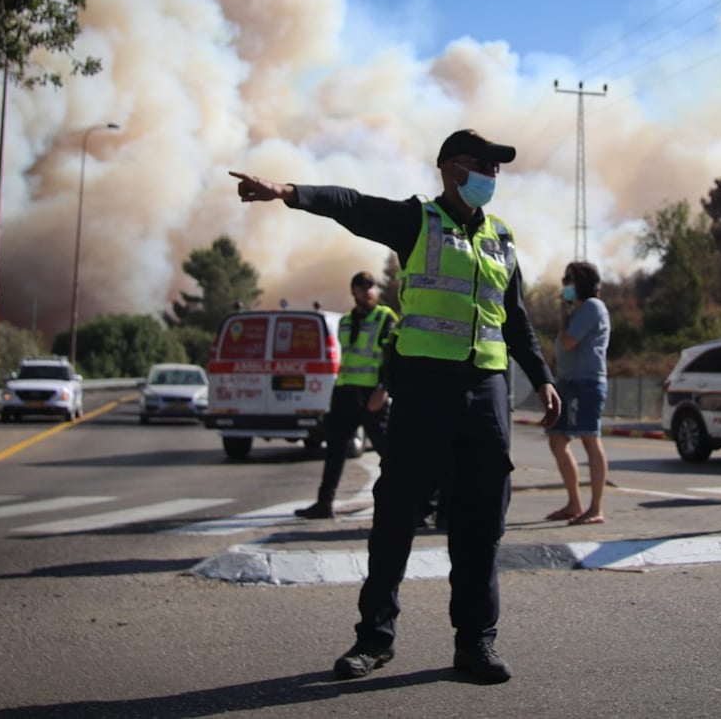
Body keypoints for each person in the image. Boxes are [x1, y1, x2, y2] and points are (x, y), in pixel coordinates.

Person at [230, 128, 562, 685]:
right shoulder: (418, 222)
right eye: (481, 164)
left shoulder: (502, 237)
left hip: (486, 391)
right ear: (450, 168)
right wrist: (286, 191)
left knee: (481, 522)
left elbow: (516, 317)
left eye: (497, 167)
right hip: (425, 389)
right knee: (396, 515)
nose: (491, 174)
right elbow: (351, 205)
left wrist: (543, 377)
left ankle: (475, 642)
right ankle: (373, 640)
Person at [295, 271, 398, 520]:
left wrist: (383, 389)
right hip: (345, 394)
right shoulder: (345, 322)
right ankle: (324, 503)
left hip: (371, 395)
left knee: (391, 453)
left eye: (371, 287)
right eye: (363, 287)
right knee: (334, 452)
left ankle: (412, 504)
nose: (368, 291)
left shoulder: (385, 318)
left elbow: (391, 358)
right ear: (353, 291)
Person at [545, 261, 611, 525]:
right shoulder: (579, 310)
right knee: (557, 439)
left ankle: (595, 508)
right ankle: (574, 503)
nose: (565, 286)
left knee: (589, 439)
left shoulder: (592, 307)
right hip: (569, 381)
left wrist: (564, 314)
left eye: (569, 281)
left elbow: (568, 342)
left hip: (587, 381)